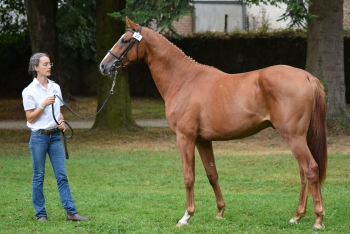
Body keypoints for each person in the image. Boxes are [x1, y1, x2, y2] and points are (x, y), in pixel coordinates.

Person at [22, 52, 89, 222]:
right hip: (38, 138)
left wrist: (62, 122)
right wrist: (43, 104)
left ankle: (71, 212)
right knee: (38, 176)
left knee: (62, 175)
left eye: (50, 63)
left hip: (55, 138)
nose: (49, 66)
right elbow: (30, 117)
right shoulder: (29, 91)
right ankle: (41, 214)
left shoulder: (55, 87)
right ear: (36, 67)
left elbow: (59, 112)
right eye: (45, 64)